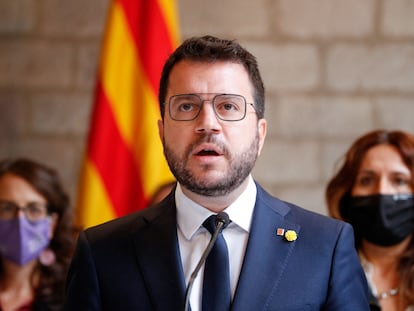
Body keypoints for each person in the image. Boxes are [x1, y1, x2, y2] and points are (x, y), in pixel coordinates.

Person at [64, 35, 369, 311]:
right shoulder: (102, 252)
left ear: (260, 133)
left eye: (228, 106)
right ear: (162, 132)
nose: (207, 123)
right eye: (186, 107)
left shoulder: (326, 247)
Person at [326, 129, 414, 311]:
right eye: (367, 180)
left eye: (399, 181)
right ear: (347, 192)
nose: (382, 191)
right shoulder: (323, 272)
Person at [0, 158, 75, 310]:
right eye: (7, 208)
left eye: (34, 209)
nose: (20, 220)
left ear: (52, 224)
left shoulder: (73, 293)